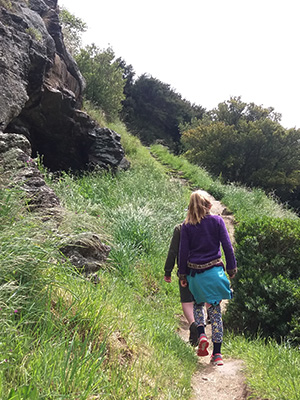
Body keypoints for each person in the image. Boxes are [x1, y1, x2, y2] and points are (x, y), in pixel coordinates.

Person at [178, 190, 237, 366]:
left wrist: (182, 274)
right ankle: (217, 354)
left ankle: (202, 334)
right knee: (215, 311)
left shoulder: (187, 226)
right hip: (215, 273)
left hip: (195, 275)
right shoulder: (218, 221)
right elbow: (227, 246)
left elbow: (183, 253)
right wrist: (232, 268)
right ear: (209, 206)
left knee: (198, 305)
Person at [164, 223, 201, 346]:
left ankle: (192, 323)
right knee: (199, 301)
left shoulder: (180, 228)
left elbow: (173, 251)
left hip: (185, 270)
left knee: (186, 300)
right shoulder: (205, 226)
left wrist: (167, 271)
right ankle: (201, 329)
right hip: (204, 269)